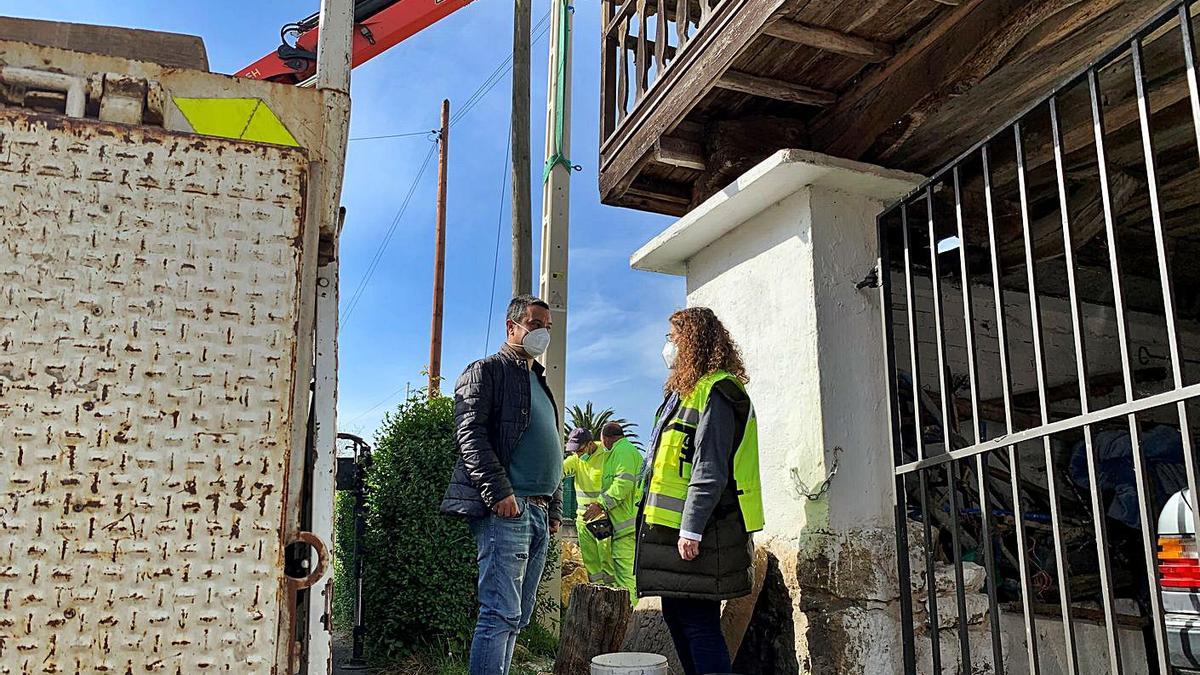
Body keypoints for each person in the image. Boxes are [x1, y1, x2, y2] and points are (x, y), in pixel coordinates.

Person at [635, 307, 764, 675]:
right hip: (672, 530)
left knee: (698, 624)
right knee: (679, 618)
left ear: (693, 343)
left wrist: (690, 528)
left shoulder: (719, 391)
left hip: (704, 531)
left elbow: (709, 467)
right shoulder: (685, 393)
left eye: (673, 338)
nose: (668, 346)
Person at [440, 295, 563, 675]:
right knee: (499, 615)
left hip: (538, 511)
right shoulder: (487, 371)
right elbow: (470, 436)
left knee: (517, 617)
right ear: (511, 327)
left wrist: (554, 508)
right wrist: (500, 495)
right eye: (535, 322)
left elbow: (551, 448)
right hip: (509, 510)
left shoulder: (538, 382)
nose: (542, 331)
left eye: (548, 325)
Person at [591, 421, 643, 604]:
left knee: (626, 578)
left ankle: (632, 618)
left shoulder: (623, 452)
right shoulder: (622, 452)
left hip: (627, 527)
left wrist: (601, 504)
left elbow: (623, 484)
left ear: (605, 438)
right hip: (625, 525)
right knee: (628, 574)